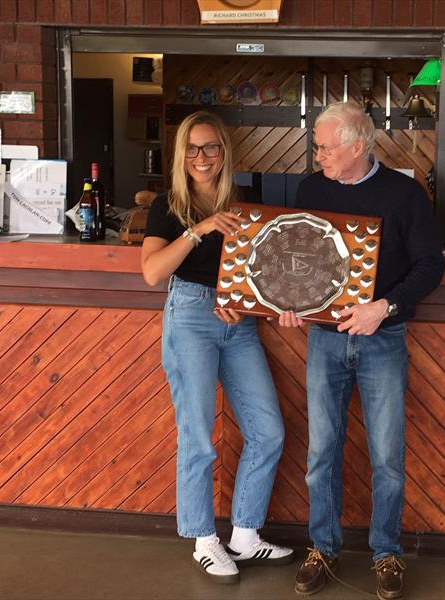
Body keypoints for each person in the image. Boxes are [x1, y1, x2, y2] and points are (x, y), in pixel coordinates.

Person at [280, 101, 445, 599]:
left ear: (357, 146)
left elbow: (430, 267)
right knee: (320, 454)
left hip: (383, 339)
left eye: (326, 147)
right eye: (317, 147)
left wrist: (385, 307)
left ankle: (386, 553)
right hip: (325, 339)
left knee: (387, 457)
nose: (318, 155)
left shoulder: (404, 194)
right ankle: (323, 548)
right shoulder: (311, 190)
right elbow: (296, 256)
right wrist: (290, 305)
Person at [141, 110, 293, 584]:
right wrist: (199, 228)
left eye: (210, 147)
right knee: (198, 437)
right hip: (189, 318)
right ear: (181, 155)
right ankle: (204, 540)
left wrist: (245, 302)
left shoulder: (244, 201)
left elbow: (258, 269)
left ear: (224, 152)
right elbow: (152, 272)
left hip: (238, 321)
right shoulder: (169, 206)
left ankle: (245, 535)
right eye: (192, 148)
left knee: (268, 431)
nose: (201, 157)